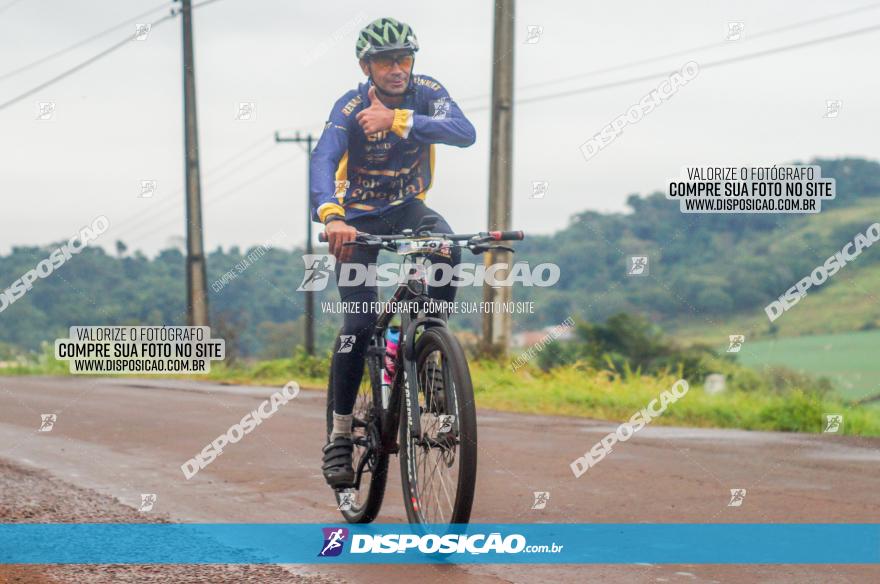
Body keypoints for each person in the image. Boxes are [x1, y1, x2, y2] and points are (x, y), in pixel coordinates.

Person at [309, 17, 476, 488]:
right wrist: (331, 216)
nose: (397, 68)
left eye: (404, 58)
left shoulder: (426, 92)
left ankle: (430, 358)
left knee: (446, 248)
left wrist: (398, 119)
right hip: (356, 221)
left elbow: (463, 132)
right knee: (359, 326)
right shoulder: (349, 106)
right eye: (386, 60)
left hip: (407, 210)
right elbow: (322, 158)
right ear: (367, 66)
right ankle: (341, 434)